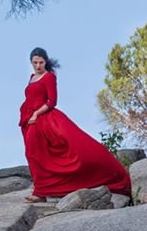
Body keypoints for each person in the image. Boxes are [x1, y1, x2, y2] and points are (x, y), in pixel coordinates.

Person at [19, 47, 132, 203]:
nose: (38, 66)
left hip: (44, 118)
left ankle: (41, 192)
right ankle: (41, 191)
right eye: (35, 63)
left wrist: (36, 113)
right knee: (34, 154)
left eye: (41, 62)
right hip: (30, 120)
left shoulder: (49, 77)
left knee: (70, 148)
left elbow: (52, 101)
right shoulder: (32, 78)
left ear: (46, 62)